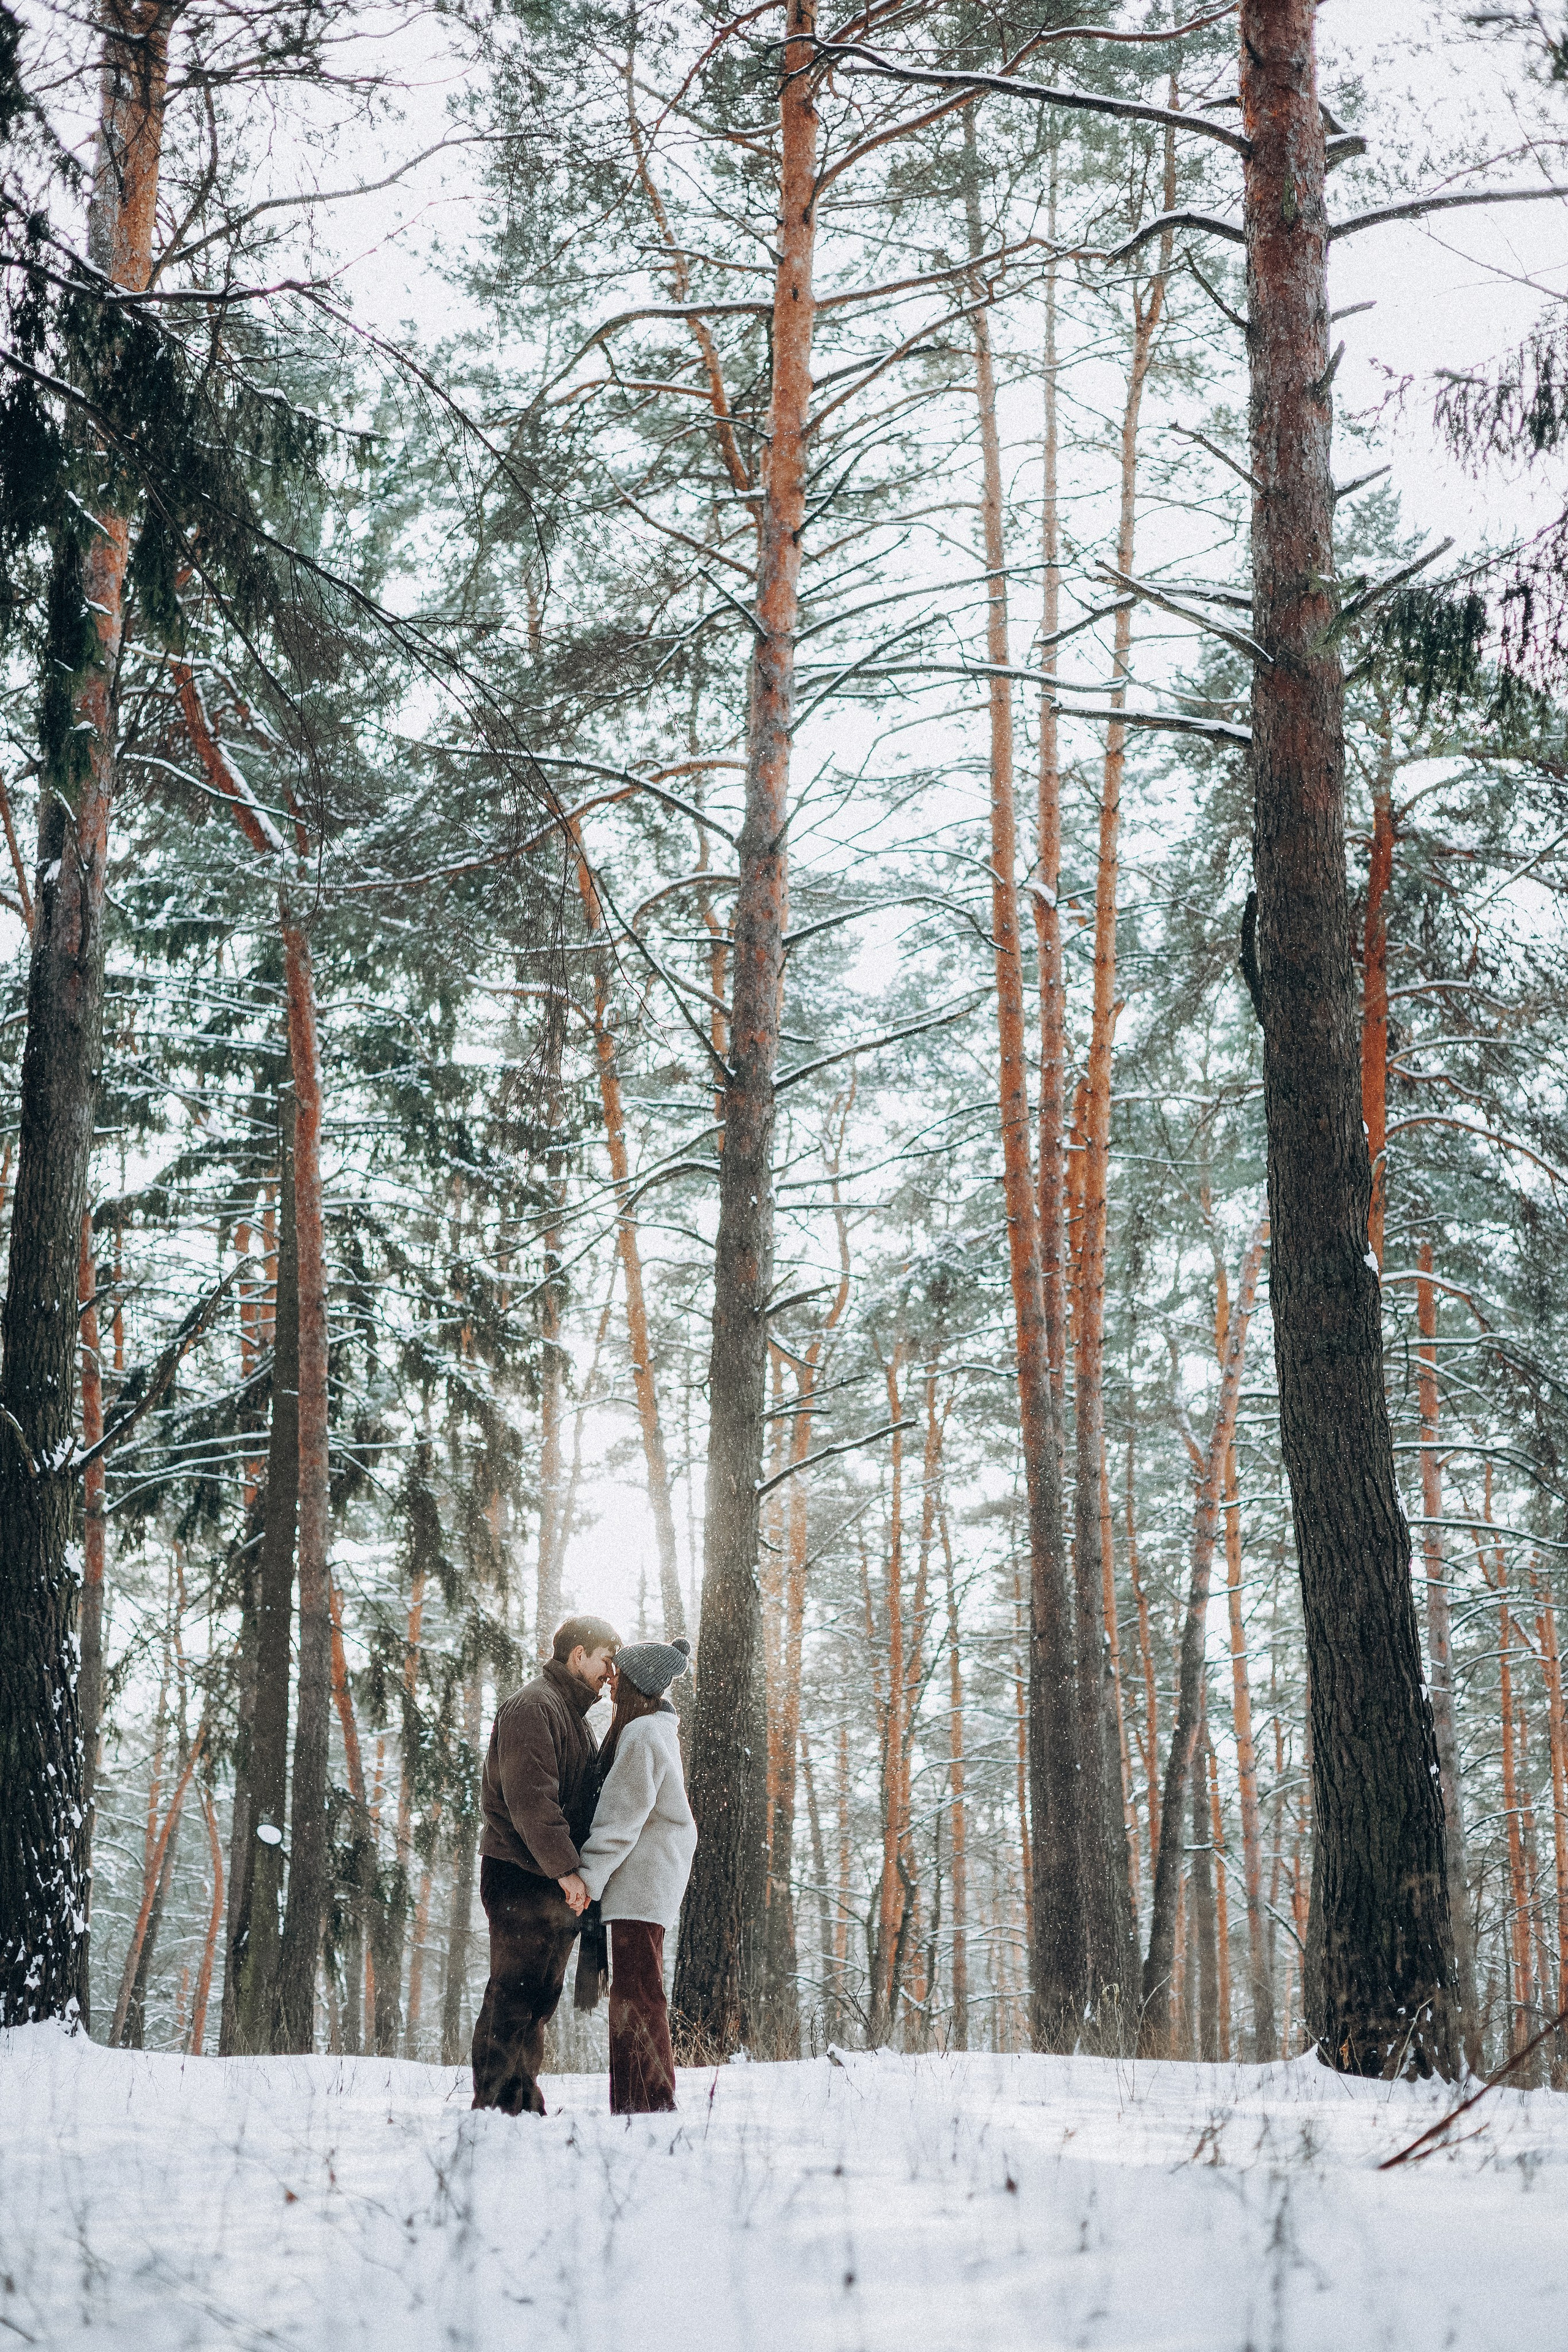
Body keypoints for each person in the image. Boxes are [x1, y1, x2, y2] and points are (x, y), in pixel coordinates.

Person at [470, 1613, 620, 2115]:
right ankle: (494, 2105)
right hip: (521, 1873)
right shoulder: (533, 1707)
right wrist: (566, 1871)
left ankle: (519, 2098)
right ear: (578, 1655)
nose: (611, 1671)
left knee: (538, 1996)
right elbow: (532, 1800)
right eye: (606, 1658)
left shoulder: (569, 1714)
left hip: (549, 1880)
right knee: (514, 1991)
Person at [568, 1637, 696, 2115]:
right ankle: (638, 2101)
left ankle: (648, 2103)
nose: (611, 1680)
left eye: (620, 1674)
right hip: (646, 1884)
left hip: (639, 1885)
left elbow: (621, 1819)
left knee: (638, 1995)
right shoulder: (653, 1731)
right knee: (637, 1993)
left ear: (639, 1683)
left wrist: (588, 1878)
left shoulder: (642, 1734)